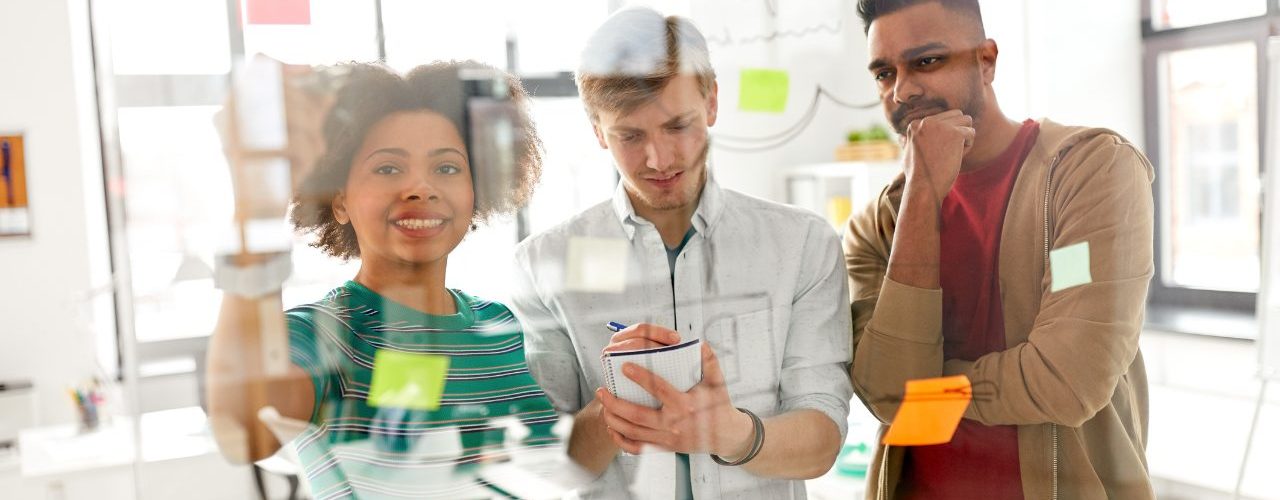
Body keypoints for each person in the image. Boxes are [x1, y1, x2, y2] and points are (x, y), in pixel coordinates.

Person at [508, 7, 853, 499]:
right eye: (630, 135)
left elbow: (823, 441)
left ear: (711, 101)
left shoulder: (802, 245)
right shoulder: (542, 265)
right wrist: (614, 411)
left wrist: (730, 432)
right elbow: (541, 470)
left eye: (677, 126)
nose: (659, 159)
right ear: (597, 130)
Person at [204, 61, 559, 498]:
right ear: (339, 202)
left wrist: (610, 419)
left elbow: (537, 472)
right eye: (388, 168)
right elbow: (243, 431)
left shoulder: (500, 325)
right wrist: (257, 205)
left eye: (447, 168)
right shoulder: (325, 335)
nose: (420, 187)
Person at [845, 1, 1155, 498]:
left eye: (927, 61)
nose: (902, 90)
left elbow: (1067, 381)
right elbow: (889, 399)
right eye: (885, 72)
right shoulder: (876, 227)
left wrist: (925, 395)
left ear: (986, 60)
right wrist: (922, 195)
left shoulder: (1090, 172)